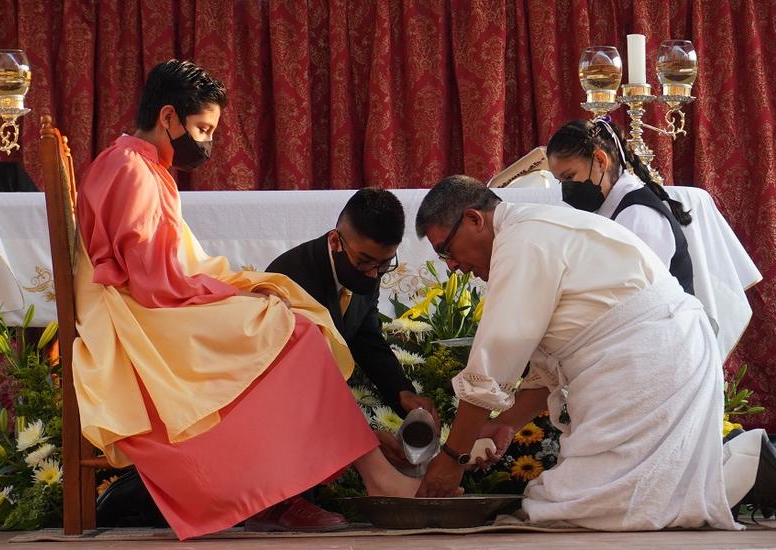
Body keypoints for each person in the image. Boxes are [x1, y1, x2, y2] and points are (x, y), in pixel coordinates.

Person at [74, 59, 418, 541]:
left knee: (287, 319)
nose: (207, 143)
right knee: (292, 332)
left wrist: (239, 287)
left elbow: (165, 267)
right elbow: (155, 283)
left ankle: (306, 488)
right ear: (168, 117)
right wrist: (229, 291)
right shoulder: (132, 170)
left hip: (147, 303)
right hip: (140, 316)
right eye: (201, 128)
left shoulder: (142, 164)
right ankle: (348, 480)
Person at [412, 175, 739, 530]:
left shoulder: (521, 239)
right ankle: (746, 463)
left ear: (475, 219)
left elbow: (494, 359)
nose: (453, 266)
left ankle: (746, 466)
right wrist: (506, 423)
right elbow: (546, 363)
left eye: (446, 250)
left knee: (579, 505)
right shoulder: (532, 227)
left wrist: (452, 458)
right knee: (605, 497)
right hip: (663, 349)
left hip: (649, 356)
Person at [260, 188, 438, 530]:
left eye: (384, 264)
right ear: (335, 241)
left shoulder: (365, 270)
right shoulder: (290, 277)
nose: (373, 274)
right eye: (365, 262)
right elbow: (296, 375)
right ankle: (277, 502)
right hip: (278, 394)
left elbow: (367, 337)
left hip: (316, 395)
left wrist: (402, 393)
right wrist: (363, 436)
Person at [547, 118, 694, 295]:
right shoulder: (608, 206)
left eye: (569, 177)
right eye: (560, 181)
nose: (566, 187)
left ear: (601, 161)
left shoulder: (639, 216)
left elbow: (640, 294)